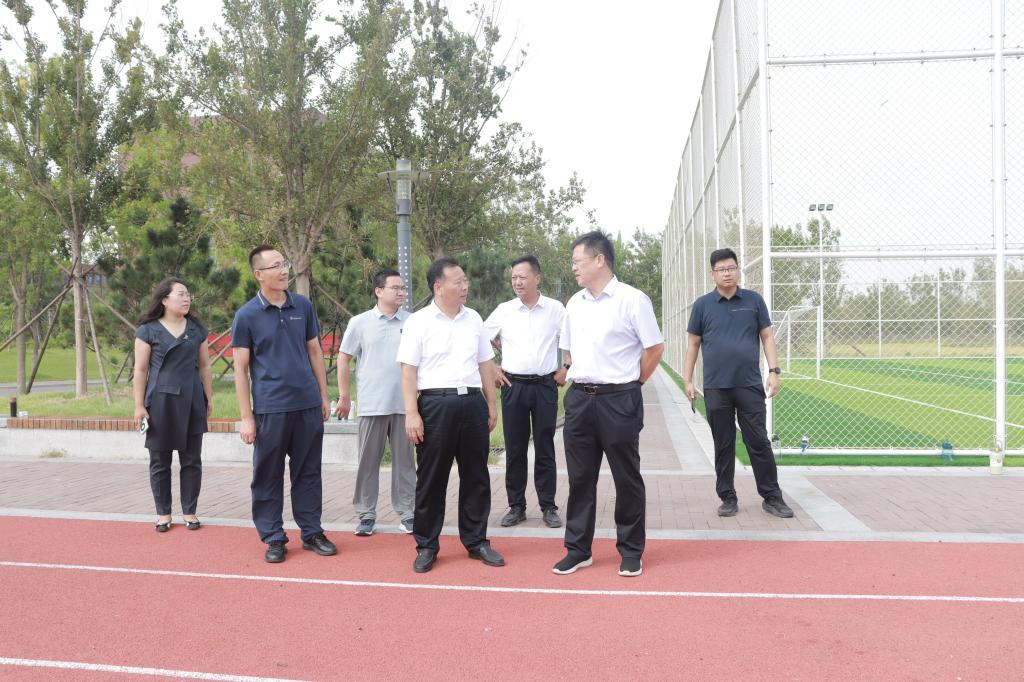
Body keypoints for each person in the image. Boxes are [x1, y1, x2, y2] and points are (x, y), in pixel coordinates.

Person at [554, 231, 664, 578]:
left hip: (619, 399)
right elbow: (570, 352)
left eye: (578, 261)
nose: (574, 268)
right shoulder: (574, 303)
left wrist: (634, 383)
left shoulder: (632, 300)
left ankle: (630, 551)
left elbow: (654, 348)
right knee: (580, 477)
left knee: (626, 477)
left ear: (599, 259)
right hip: (580, 400)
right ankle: (577, 549)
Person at [397, 257, 504, 573]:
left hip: (471, 403)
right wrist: (412, 413)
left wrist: (491, 404)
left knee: (476, 476)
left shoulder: (474, 319)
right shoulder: (419, 321)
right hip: (435, 405)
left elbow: (485, 364)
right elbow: (408, 371)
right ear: (438, 286)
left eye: (465, 280)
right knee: (432, 478)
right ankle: (427, 545)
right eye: (458, 281)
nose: (465, 286)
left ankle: (476, 541)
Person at [231, 245, 337, 563]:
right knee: (268, 474)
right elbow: (240, 369)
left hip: (307, 405)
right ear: (258, 274)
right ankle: (274, 536)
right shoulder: (247, 315)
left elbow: (314, 351)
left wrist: (322, 395)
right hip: (270, 408)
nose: (283, 270)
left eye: (284, 264)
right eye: (275, 266)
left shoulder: (302, 305)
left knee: (308, 472)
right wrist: (246, 417)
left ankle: (312, 532)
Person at [683, 247, 794, 520]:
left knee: (758, 441)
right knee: (723, 444)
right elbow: (693, 345)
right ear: (712, 274)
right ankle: (727, 497)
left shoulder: (754, 301)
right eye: (721, 269)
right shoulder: (702, 305)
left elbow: (767, 337)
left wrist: (774, 371)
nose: (727, 273)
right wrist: (688, 380)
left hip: (749, 385)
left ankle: (772, 496)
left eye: (731, 268)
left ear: (738, 270)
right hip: (716, 387)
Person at [484, 255, 566, 529]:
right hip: (513, 386)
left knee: (545, 447)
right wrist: (493, 368)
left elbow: (573, 338)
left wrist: (567, 367)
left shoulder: (555, 309)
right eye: (514, 278)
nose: (517, 282)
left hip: (545, 385)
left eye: (522, 277)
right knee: (515, 447)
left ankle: (548, 506)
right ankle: (516, 506)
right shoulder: (504, 310)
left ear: (537, 278)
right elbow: (479, 339)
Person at [336, 269, 415, 536]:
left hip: (405, 405)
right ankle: (366, 514)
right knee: (367, 462)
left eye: (403, 288)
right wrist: (344, 396)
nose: (402, 292)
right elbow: (344, 358)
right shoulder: (360, 323)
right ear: (379, 291)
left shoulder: (413, 322)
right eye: (396, 288)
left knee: (405, 463)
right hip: (372, 403)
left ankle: (408, 513)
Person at [133, 277, 213, 533]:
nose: (186, 298)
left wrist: (207, 398)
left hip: (192, 400)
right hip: (159, 402)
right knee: (160, 461)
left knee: (192, 460)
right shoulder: (147, 330)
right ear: (165, 300)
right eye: (181, 294)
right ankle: (163, 513)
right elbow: (140, 369)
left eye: (188, 294)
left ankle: (190, 511)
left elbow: (205, 366)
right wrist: (139, 405)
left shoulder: (197, 330)